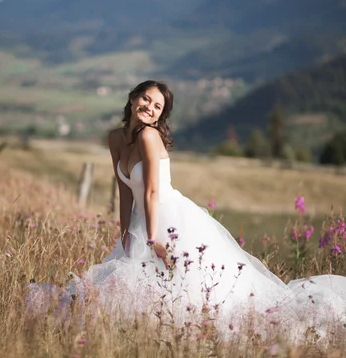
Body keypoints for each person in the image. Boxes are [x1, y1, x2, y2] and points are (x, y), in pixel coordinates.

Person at [27, 81, 346, 337]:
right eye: (146, 100)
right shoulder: (115, 139)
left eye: (157, 107)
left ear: (160, 116)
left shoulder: (150, 138)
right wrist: (125, 233)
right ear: (133, 97)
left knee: (192, 292)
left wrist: (152, 239)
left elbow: (151, 191)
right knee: (127, 283)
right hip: (142, 220)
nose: (149, 109)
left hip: (168, 220)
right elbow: (127, 190)